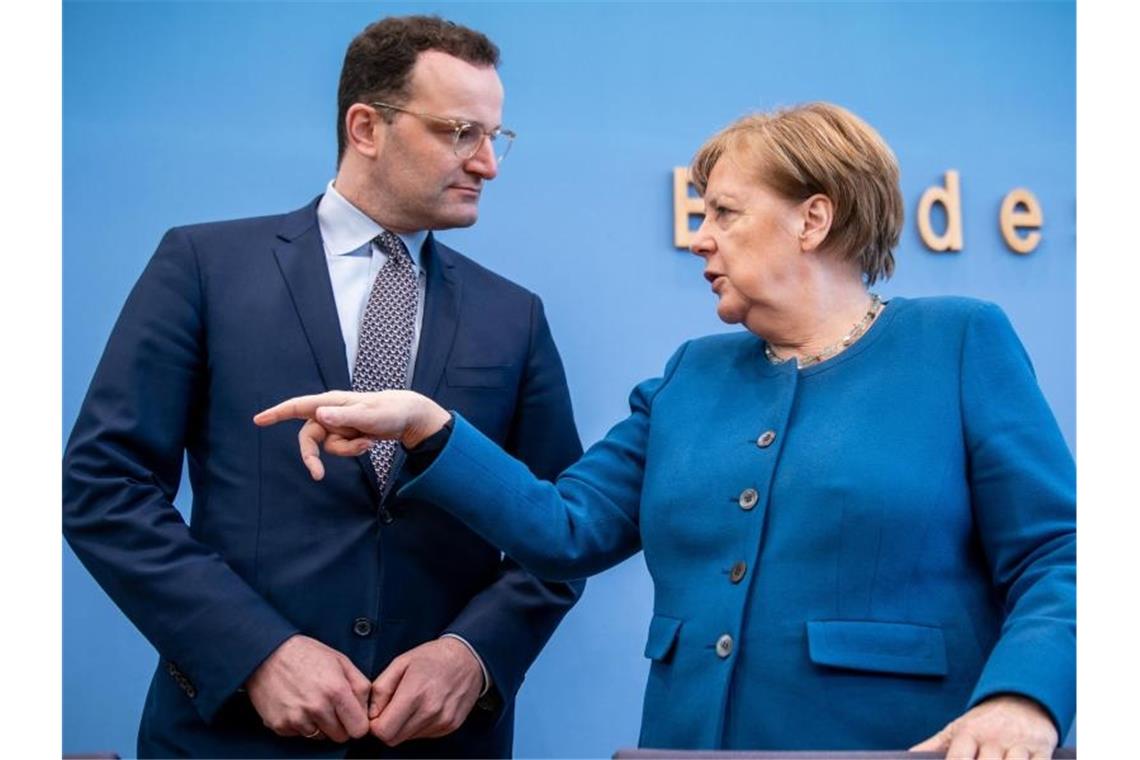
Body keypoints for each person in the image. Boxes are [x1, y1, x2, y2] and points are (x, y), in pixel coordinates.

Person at [257, 103, 1076, 758]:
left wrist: (1023, 698)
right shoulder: (692, 374)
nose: (699, 237)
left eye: (723, 211)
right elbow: (562, 529)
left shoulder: (960, 341)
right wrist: (428, 425)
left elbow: (1059, 556)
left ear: (812, 219)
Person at [63, 15, 584, 759]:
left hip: (443, 742)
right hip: (232, 736)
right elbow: (102, 486)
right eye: (460, 132)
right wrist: (255, 652)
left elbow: (562, 527)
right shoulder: (203, 267)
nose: (487, 164)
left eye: (495, 138)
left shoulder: (516, 316)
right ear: (366, 127)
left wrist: (472, 654)